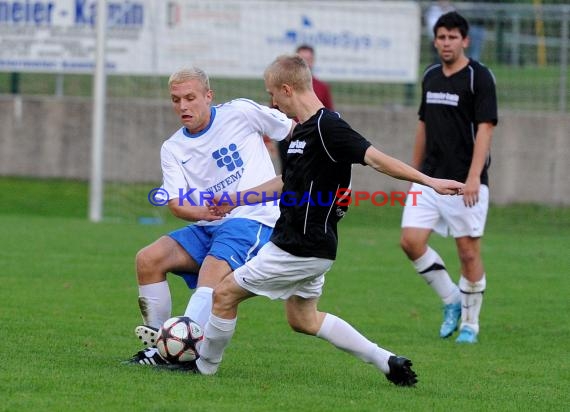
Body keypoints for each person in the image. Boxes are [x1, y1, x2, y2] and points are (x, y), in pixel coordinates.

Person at [187, 54, 465, 385]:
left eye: (272, 94)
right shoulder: (298, 133)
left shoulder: (328, 126)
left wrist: (430, 181)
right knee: (303, 320)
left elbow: (376, 160)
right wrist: (234, 199)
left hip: (300, 247)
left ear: (287, 89)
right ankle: (387, 361)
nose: (271, 102)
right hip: (308, 247)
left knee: (224, 294)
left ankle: (203, 367)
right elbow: (285, 182)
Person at [126, 67, 294, 365]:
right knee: (149, 259)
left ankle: (178, 353)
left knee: (211, 273)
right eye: (176, 100)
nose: (183, 106)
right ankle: (161, 343)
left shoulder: (240, 112)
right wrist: (202, 211)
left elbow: (292, 129)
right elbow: (177, 204)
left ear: (208, 96)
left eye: (190, 98)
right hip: (207, 224)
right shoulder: (173, 147)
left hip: (252, 218)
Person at [400, 11, 498, 344]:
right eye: (441, 37)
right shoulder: (430, 76)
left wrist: (474, 177)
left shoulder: (479, 78)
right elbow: (423, 125)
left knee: (468, 252)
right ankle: (452, 299)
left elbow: (486, 129)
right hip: (428, 179)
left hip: (464, 182)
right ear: (435, 40)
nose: (446, 42)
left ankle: (471, 323)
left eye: (452, 37)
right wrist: (414, 175)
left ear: (465, 41)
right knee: (410, 242)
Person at [276, 44, 334, 171]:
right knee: (287, 176)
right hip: (288, 137)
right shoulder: (283, 86)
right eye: (301, 60)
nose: (305, 63)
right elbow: (273, 112)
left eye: (308, 59)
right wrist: (267, 138)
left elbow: (329, 113)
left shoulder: (322, 87)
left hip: (313, 139)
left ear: (313, 61)